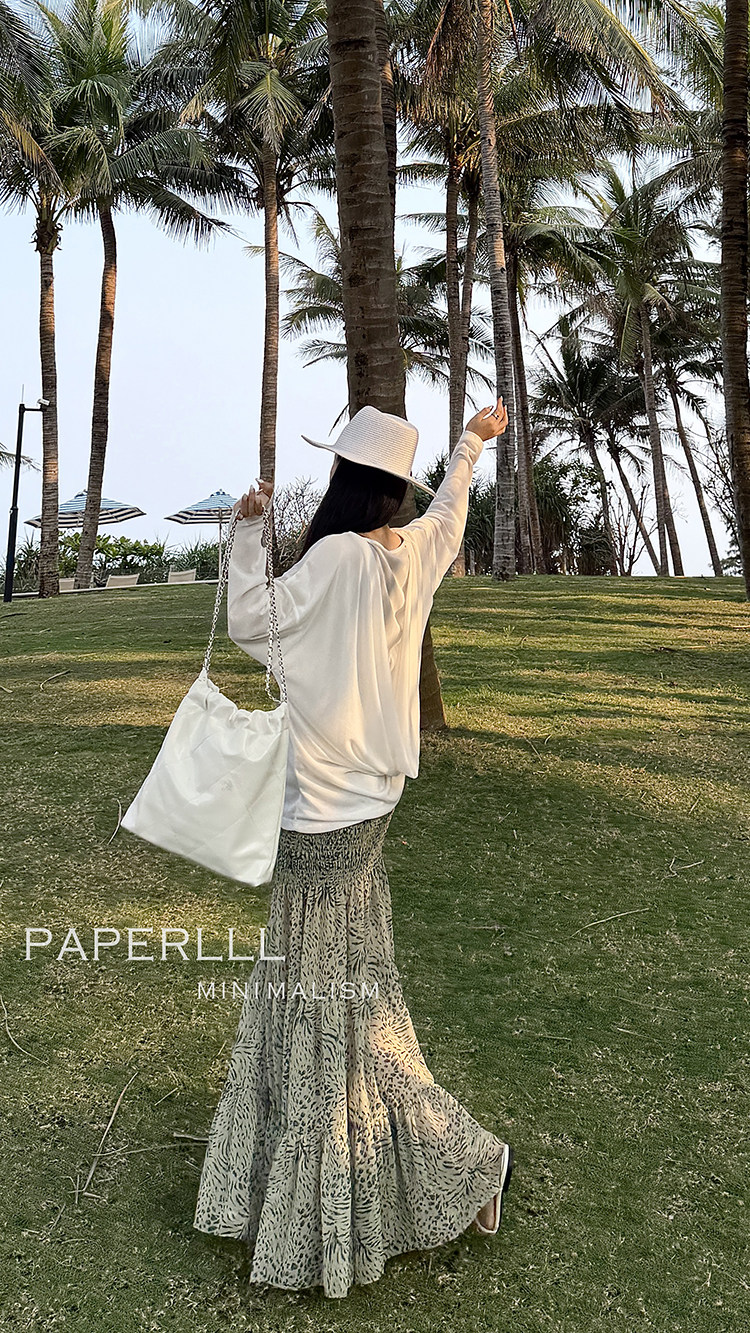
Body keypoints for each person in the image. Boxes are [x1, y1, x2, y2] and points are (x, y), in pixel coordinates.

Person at [193, 398, 512, 1298]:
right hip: (371, 808)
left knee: (324, 1001)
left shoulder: (335, 558)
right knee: (344, 990)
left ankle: (460, 1159)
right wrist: (472, 442)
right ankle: (340, 1177)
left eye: (337, 465)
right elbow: (450, 509)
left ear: (348, 478)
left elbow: (252, 622)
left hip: (320, 809)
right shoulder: (414, 551)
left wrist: (247, 532)